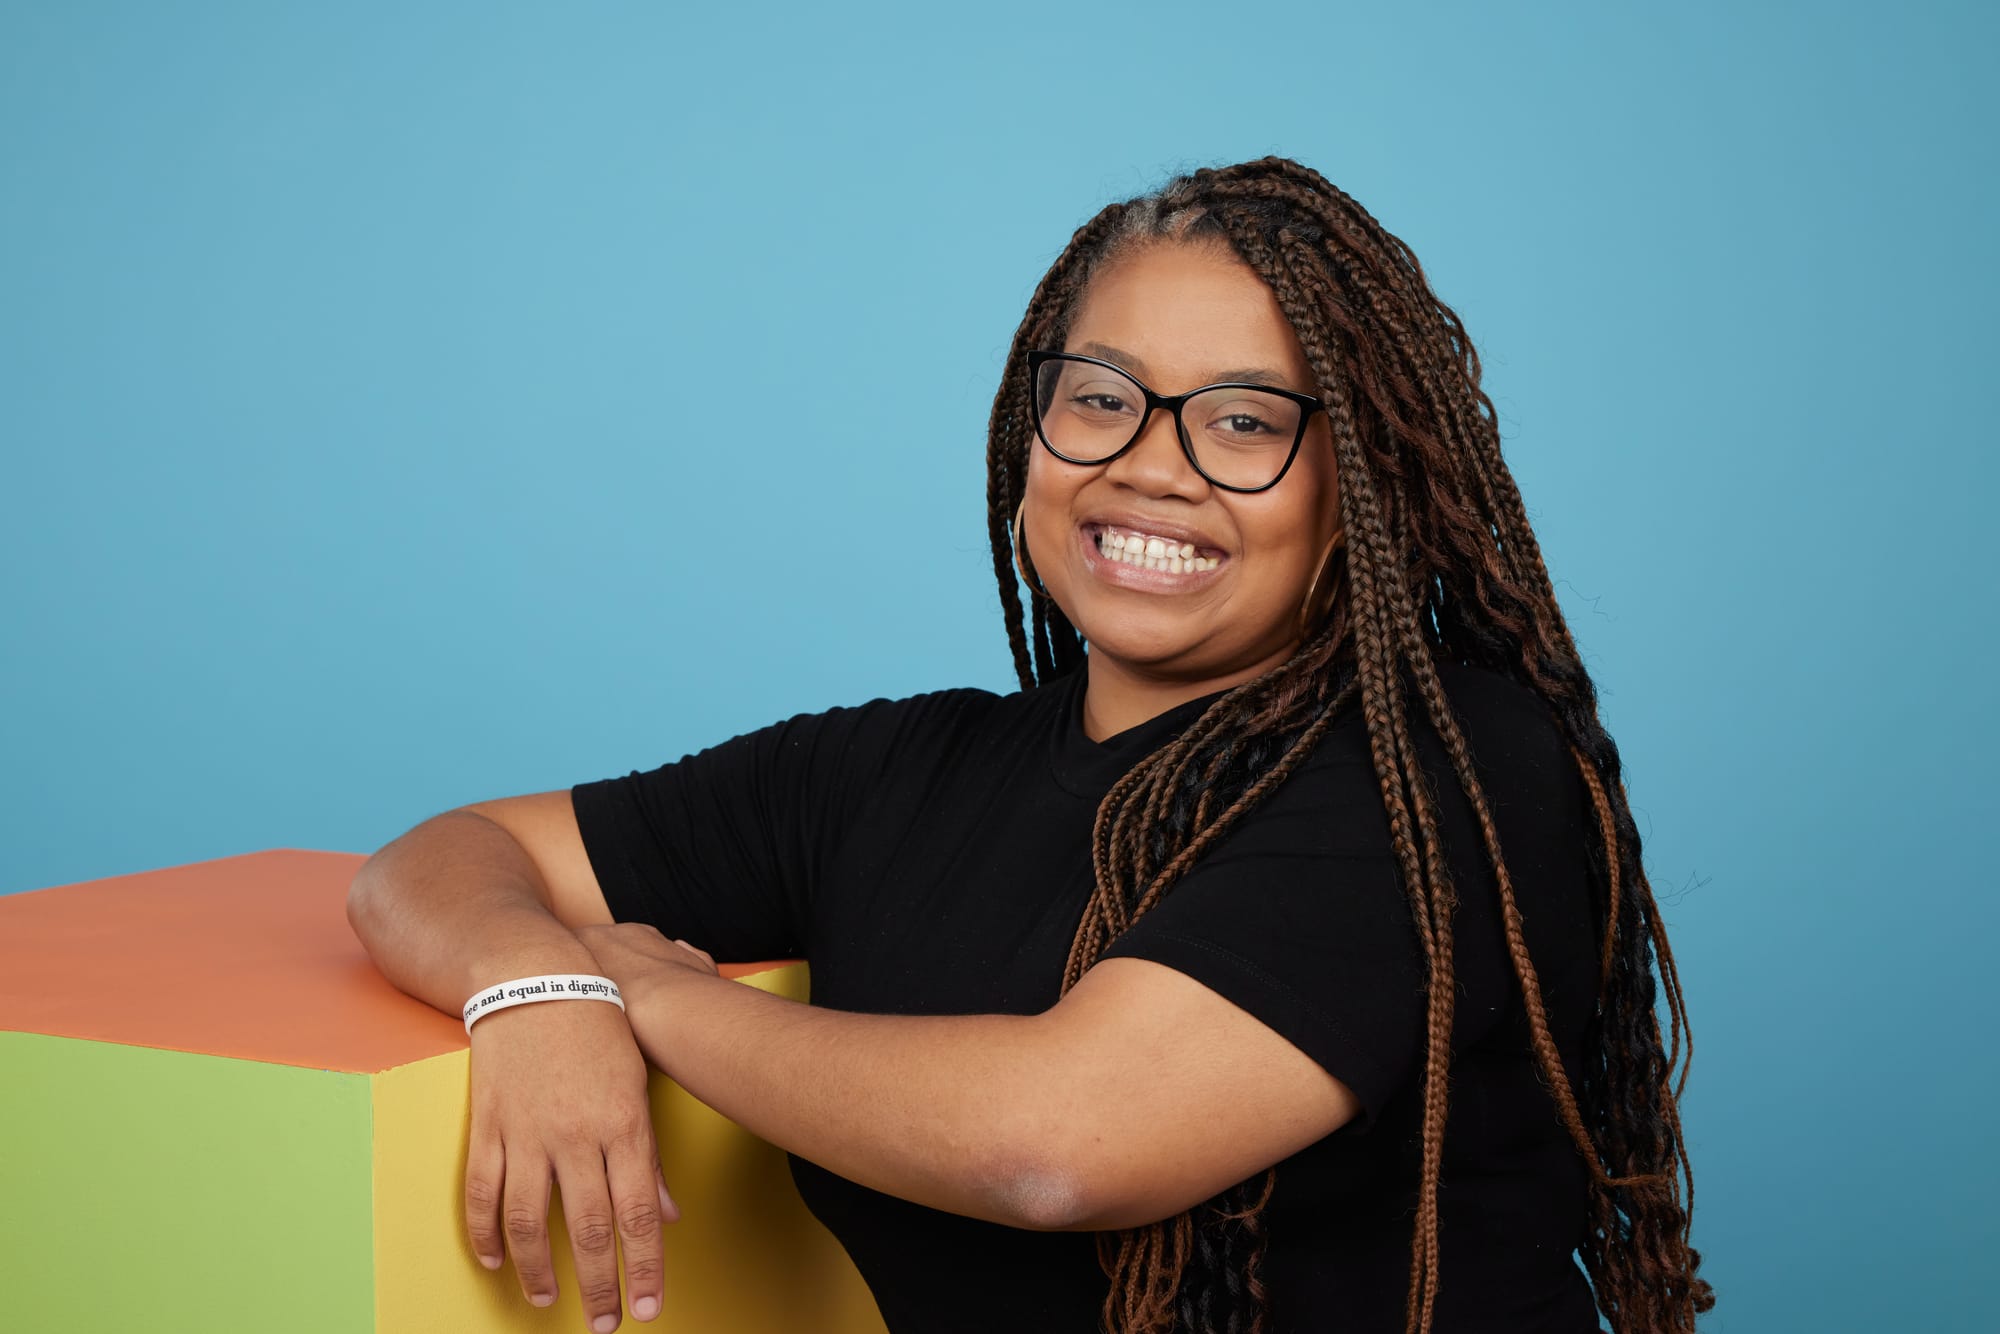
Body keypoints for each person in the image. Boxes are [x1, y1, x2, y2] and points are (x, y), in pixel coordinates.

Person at [347, 157, 1713, 1334]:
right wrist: (533, 982)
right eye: (1102, 395)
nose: (1152, 463)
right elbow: (435, 861)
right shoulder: (891, 774)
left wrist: (653, 995)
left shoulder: (1448, 773)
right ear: (1032, 428)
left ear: (1363, 484)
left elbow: (1062, 1144)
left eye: (1244, 421)